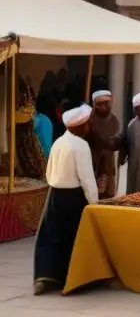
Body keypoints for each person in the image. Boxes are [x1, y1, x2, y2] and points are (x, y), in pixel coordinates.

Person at [32, 105, 98, 295]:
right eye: (87, 123)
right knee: (73, 238)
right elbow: (86, 178)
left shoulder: (58, 142)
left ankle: (44, 278)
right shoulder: (81, 146)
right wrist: (94, 202)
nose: (89, 126)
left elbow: (48, 171)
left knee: (50, 237)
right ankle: (70, 280)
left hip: (54, 194)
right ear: (81, 126)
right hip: (73, 197)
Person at [86, 90, 121, 200]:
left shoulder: (114, 120)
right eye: (100, 104)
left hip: (109, 165)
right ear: (94, 104)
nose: (103, 107)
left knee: (109, 196)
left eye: (106, 103)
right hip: (92, 164)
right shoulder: (88, 120)